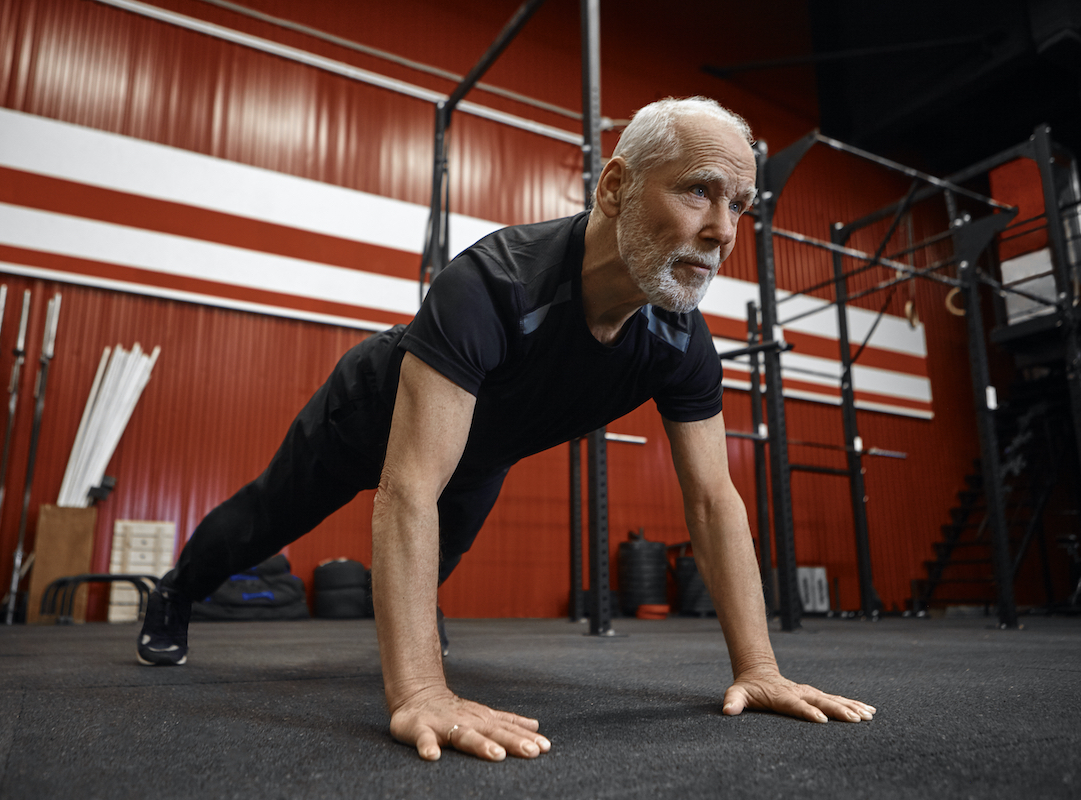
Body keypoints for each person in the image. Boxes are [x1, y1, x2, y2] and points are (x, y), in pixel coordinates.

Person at [136, 96, 877, 762]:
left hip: (481, 450)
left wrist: (759, 667)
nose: (721, 231)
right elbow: (406, 490)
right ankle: (173, 593)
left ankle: (412, 622)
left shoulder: (679, 341)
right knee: (260, 524)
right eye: (697, 192)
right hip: (370, 415)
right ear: (615, 187)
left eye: (739, 205)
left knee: (436, 565)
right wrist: (421, 691)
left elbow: (715, 501)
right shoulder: (494, 283)